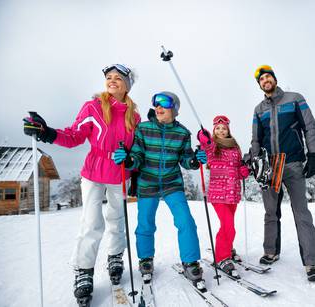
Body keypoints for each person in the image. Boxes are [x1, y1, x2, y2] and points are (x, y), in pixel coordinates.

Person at [23, 64, 141, 303]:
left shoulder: (134, 116)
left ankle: (115, 255)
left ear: (128, 85)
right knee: (91, 222)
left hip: (119, 174)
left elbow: (137, 149)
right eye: (109, 77)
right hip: (94, 172)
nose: (112, 81)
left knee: (117, 219)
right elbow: (74, 135)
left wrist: (133, 167)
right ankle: (84, 270)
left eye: (119, 78)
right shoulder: (94, 107)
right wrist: (48, 133)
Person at [113, 91, 208, 288]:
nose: (158, 107)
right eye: (156, 103)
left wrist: (194, 161)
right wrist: (129, 159)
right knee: (145, 223)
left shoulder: (183, 133)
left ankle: (190, 261)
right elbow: (137, 155)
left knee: (186, 221)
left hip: (172, 182)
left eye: (164, 103)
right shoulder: (143, 129)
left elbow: (185, 159)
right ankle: (145, 259)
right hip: (148, 182)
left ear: (175, 108)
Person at [250, 65, 315, 282]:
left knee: (301, 212)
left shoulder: (294, 99)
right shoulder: (258, 110)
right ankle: (271, 251)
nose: (265, 81)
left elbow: (309, 127)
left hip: (292, 163)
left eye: (268, 77)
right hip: (270, 166)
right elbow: (256, 139)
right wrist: (256, 162)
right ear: (260, 85)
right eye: (262, 79)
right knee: (270, 211)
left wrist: (313, 155)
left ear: (274, 79)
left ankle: (313, 263)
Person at [196, 115, 250, 277]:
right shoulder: (214, 146)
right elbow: (206, 146)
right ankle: (221, 257)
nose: (221, 130)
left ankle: (227, 248)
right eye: (217, 128)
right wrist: (203, 136)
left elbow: (239, 165)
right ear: (214, 130)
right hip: (218, 194)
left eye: (223, 128)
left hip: (233, 192)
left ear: (228, 130)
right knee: (228, 225)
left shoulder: (235, 147)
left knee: (229, 226)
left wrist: (243, 171)